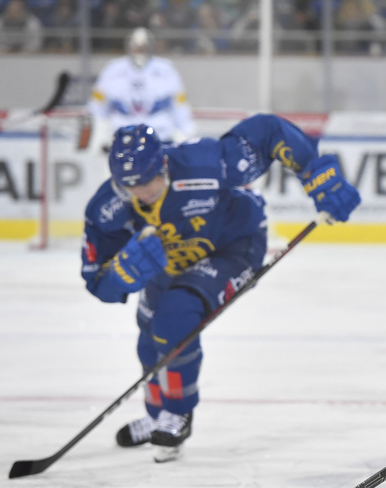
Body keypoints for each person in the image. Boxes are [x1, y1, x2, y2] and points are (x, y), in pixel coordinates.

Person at [81, 116, 361, 461]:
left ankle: (177, 414)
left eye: (149, 183)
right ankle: (156, 417)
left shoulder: (205, 163)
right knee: (149, 337)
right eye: (130, 187)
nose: (141, 194)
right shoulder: (106, 209)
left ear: (164, 165)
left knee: (175, 316)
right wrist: (119, 276)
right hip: (172, 260)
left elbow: (269, 132)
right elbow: (98, 281)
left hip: (234, 247)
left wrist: (314, 171)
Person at [89, 28, 196, 151]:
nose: (139, 52)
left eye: (143, 48)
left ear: (150, 48)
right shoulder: (113, 69)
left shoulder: (166, 70)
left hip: (160, 137)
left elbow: (179, 105)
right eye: (137, 48)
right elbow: (98, 106)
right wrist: (100, 136)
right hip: (123, 139)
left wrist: (187, 132)